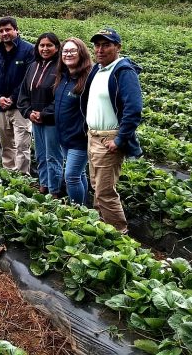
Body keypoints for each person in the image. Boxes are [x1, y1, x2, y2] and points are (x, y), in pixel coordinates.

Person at [81, 27, 143, 233]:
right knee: (96, 185)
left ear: (118, 47)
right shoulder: (98, 69)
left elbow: (133, 109)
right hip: (93, 136)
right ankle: (103, 226)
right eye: (97, 45)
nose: (100, 49)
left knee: (105, 190)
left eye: (106, 45)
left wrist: (120, 140)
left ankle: (119, 234)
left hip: (109, 139)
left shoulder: (123, 72)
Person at [0, 16, 35, 173]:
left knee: (22, 144)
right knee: (6, 144)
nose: (4, 33)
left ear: (16, 30)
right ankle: (8, 174)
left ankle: (22, 177)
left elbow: (28, 79)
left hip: (21, 107)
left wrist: (13, 98)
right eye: (1, 31)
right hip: (2, 107)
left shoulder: (28, 50)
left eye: (8, 29)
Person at [18, 33, 63, 196]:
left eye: (49, 45)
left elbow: (61, 97)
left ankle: (55, 190)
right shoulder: (33, 66)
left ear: (57, 48)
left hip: (52, 121)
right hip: (36, 119)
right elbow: (23, 93)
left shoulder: (61, 67)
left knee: (53, 156)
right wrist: (28, 112)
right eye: (42, 45)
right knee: (41, 154)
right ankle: (44, 184)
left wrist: (44, 114)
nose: (45, 49)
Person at [53, 37, 91, 206]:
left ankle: (77, 210)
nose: (68, 54)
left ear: (81, 53)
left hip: (79, 138)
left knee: (71, 176)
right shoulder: (63, 77)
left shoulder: (88, 79)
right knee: (79, 174)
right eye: (65, 51)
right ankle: (83, 207)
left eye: (72, 51)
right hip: (64, 136)